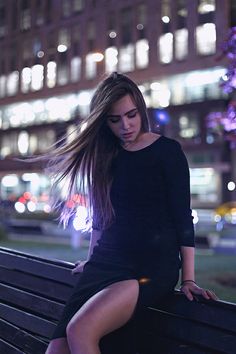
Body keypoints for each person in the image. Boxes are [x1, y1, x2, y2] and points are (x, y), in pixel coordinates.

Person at [45, 72, 217, 354]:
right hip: (106, 262)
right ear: (104, 122)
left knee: (80, 331)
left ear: (141, 109)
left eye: (131, 115)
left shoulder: (167, 152)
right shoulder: (105, 157)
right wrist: (91, 261)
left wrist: (188, 278)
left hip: (148, 267)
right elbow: (102, 217)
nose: (125, 125)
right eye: (115, 120)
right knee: (56, 351)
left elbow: (182, 217)